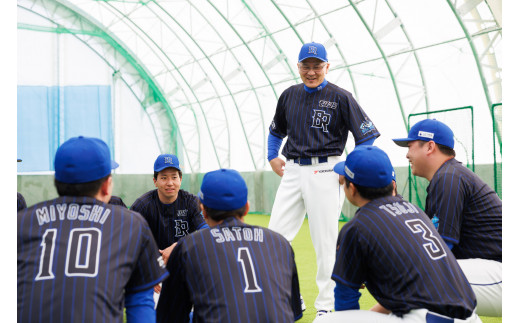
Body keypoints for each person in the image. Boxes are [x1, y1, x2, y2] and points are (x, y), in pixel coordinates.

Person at [267, 41, 380, 316]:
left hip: (326, 170)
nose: (311, 71)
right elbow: (276, 131)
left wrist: (349, 165)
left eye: (317, 66)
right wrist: (272, 155)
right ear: (298, 67)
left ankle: (326, 309)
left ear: (327, 66)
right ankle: (292, 300)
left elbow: (367, 135)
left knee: (325, 243)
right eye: (306, 66)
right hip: (292, 170)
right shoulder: (288, 95)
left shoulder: (341, 96)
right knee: (273, 239)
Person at [314, 145, 481, 323]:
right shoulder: (414, 210)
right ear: (391, 184)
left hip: (428, 318)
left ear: (352, 188)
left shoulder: (357, 227)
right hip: (467, 315)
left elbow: (345, 301)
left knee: (325, 321)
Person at [17, 136, 169, 323]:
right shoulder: (130, 224)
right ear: (106, 186)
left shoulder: (22, 222)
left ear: (57, 181)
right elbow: (140, 301)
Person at [156, 169, 303, 322]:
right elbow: (293, 312)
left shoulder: (190, 246)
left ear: (203, 211)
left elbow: (170, 316)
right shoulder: (280, 243)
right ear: (246, 208)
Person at [392, 118, 502, 317]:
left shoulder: (449, 177)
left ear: (430, 146)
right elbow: (426, 241)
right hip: (493, 271)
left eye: (410, 146)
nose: (407, 154)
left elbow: (441, 249)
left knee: (427, 279)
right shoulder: (446, 177)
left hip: (502, 271)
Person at [130, 153, 209, 265]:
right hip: (152, 265)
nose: (170, 183)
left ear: (180, 179)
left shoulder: (191, 202)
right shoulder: (143, 205)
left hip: (184, 262)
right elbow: (127, 237)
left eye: (174, 177)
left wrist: (177, 247)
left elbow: (208, 232)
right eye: (164, 178)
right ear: (155, 181)